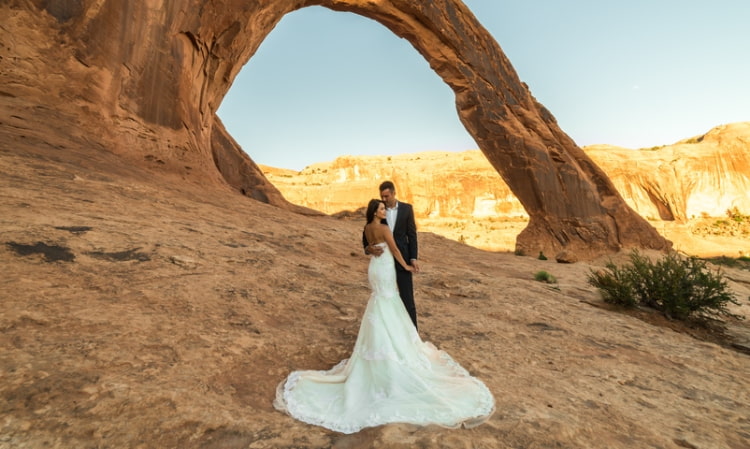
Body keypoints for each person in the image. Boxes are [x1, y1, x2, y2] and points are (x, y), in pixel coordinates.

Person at [273, 199, 495, 434]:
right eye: (380, 209)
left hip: (374, 267)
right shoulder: (384, 227)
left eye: (383, 209)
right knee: (389, 300)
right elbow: (396, 249)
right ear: (375, 212)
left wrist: (371, 249)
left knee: (380, 301)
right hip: (386, 266)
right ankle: (393, 349)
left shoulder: (367, 227)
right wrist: (407, 267)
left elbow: (368, 247)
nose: (383, 211)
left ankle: (380, 345)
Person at [363, 181, 419, 329]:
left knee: (407, 299)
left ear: (394, 193)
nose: (384, 199)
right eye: (382, 196)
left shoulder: (407, 209)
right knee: (387, 297)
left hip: (403, 258)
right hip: (383, 263)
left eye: (387, 196)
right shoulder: (379, 211)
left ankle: (412, 335)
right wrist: (369, 249)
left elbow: (412, 235)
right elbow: (365, 240)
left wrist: (413, 258)